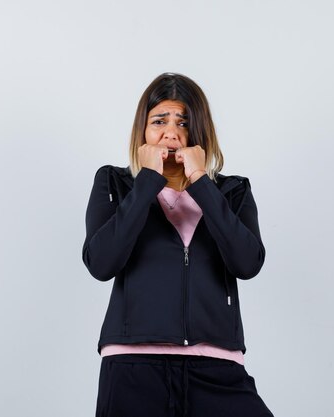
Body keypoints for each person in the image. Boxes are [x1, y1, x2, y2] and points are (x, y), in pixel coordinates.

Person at [82, 72, 273, 417]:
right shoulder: (115, 183)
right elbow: (101, 262)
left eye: (183, 122)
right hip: (132, 369)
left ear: (199, 134)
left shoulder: (233, 191)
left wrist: (201, 181)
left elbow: (248, 263)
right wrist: (148, 182)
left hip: (217, 367)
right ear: (143, 130)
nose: (170, 132)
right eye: (159, 121)